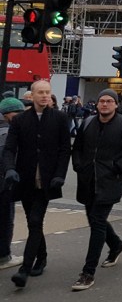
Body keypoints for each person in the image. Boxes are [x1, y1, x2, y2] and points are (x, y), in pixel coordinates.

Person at [71, 89, 122, 291]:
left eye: (109, 101)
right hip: (87, 180)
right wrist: (78, 165)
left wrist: (117, 166)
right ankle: (117, 245)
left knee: (97, 222)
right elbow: (77, 148)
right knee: (95, 220)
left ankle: (88, 273)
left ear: (116, 104)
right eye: (101, 101)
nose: (104, 104)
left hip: (110, 181)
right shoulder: (88, 123)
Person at [3, 79, 71, 289]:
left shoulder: (60, 118)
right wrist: (10, 168)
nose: (44, 96)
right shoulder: (20, 120)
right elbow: (9, 149)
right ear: (31, 96)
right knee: (34, 222)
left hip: (48, 181)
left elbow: (64, 149)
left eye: (47, 92)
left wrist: (60, 174)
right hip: (25, 180)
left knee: (34, 221)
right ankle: (41, 257)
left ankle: (24, 269)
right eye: (40, 92)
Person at [0, 97, 25, 270]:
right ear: (9, 114)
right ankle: (3, 256)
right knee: (5, 220)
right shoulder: (7, 133)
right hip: (4, 185)